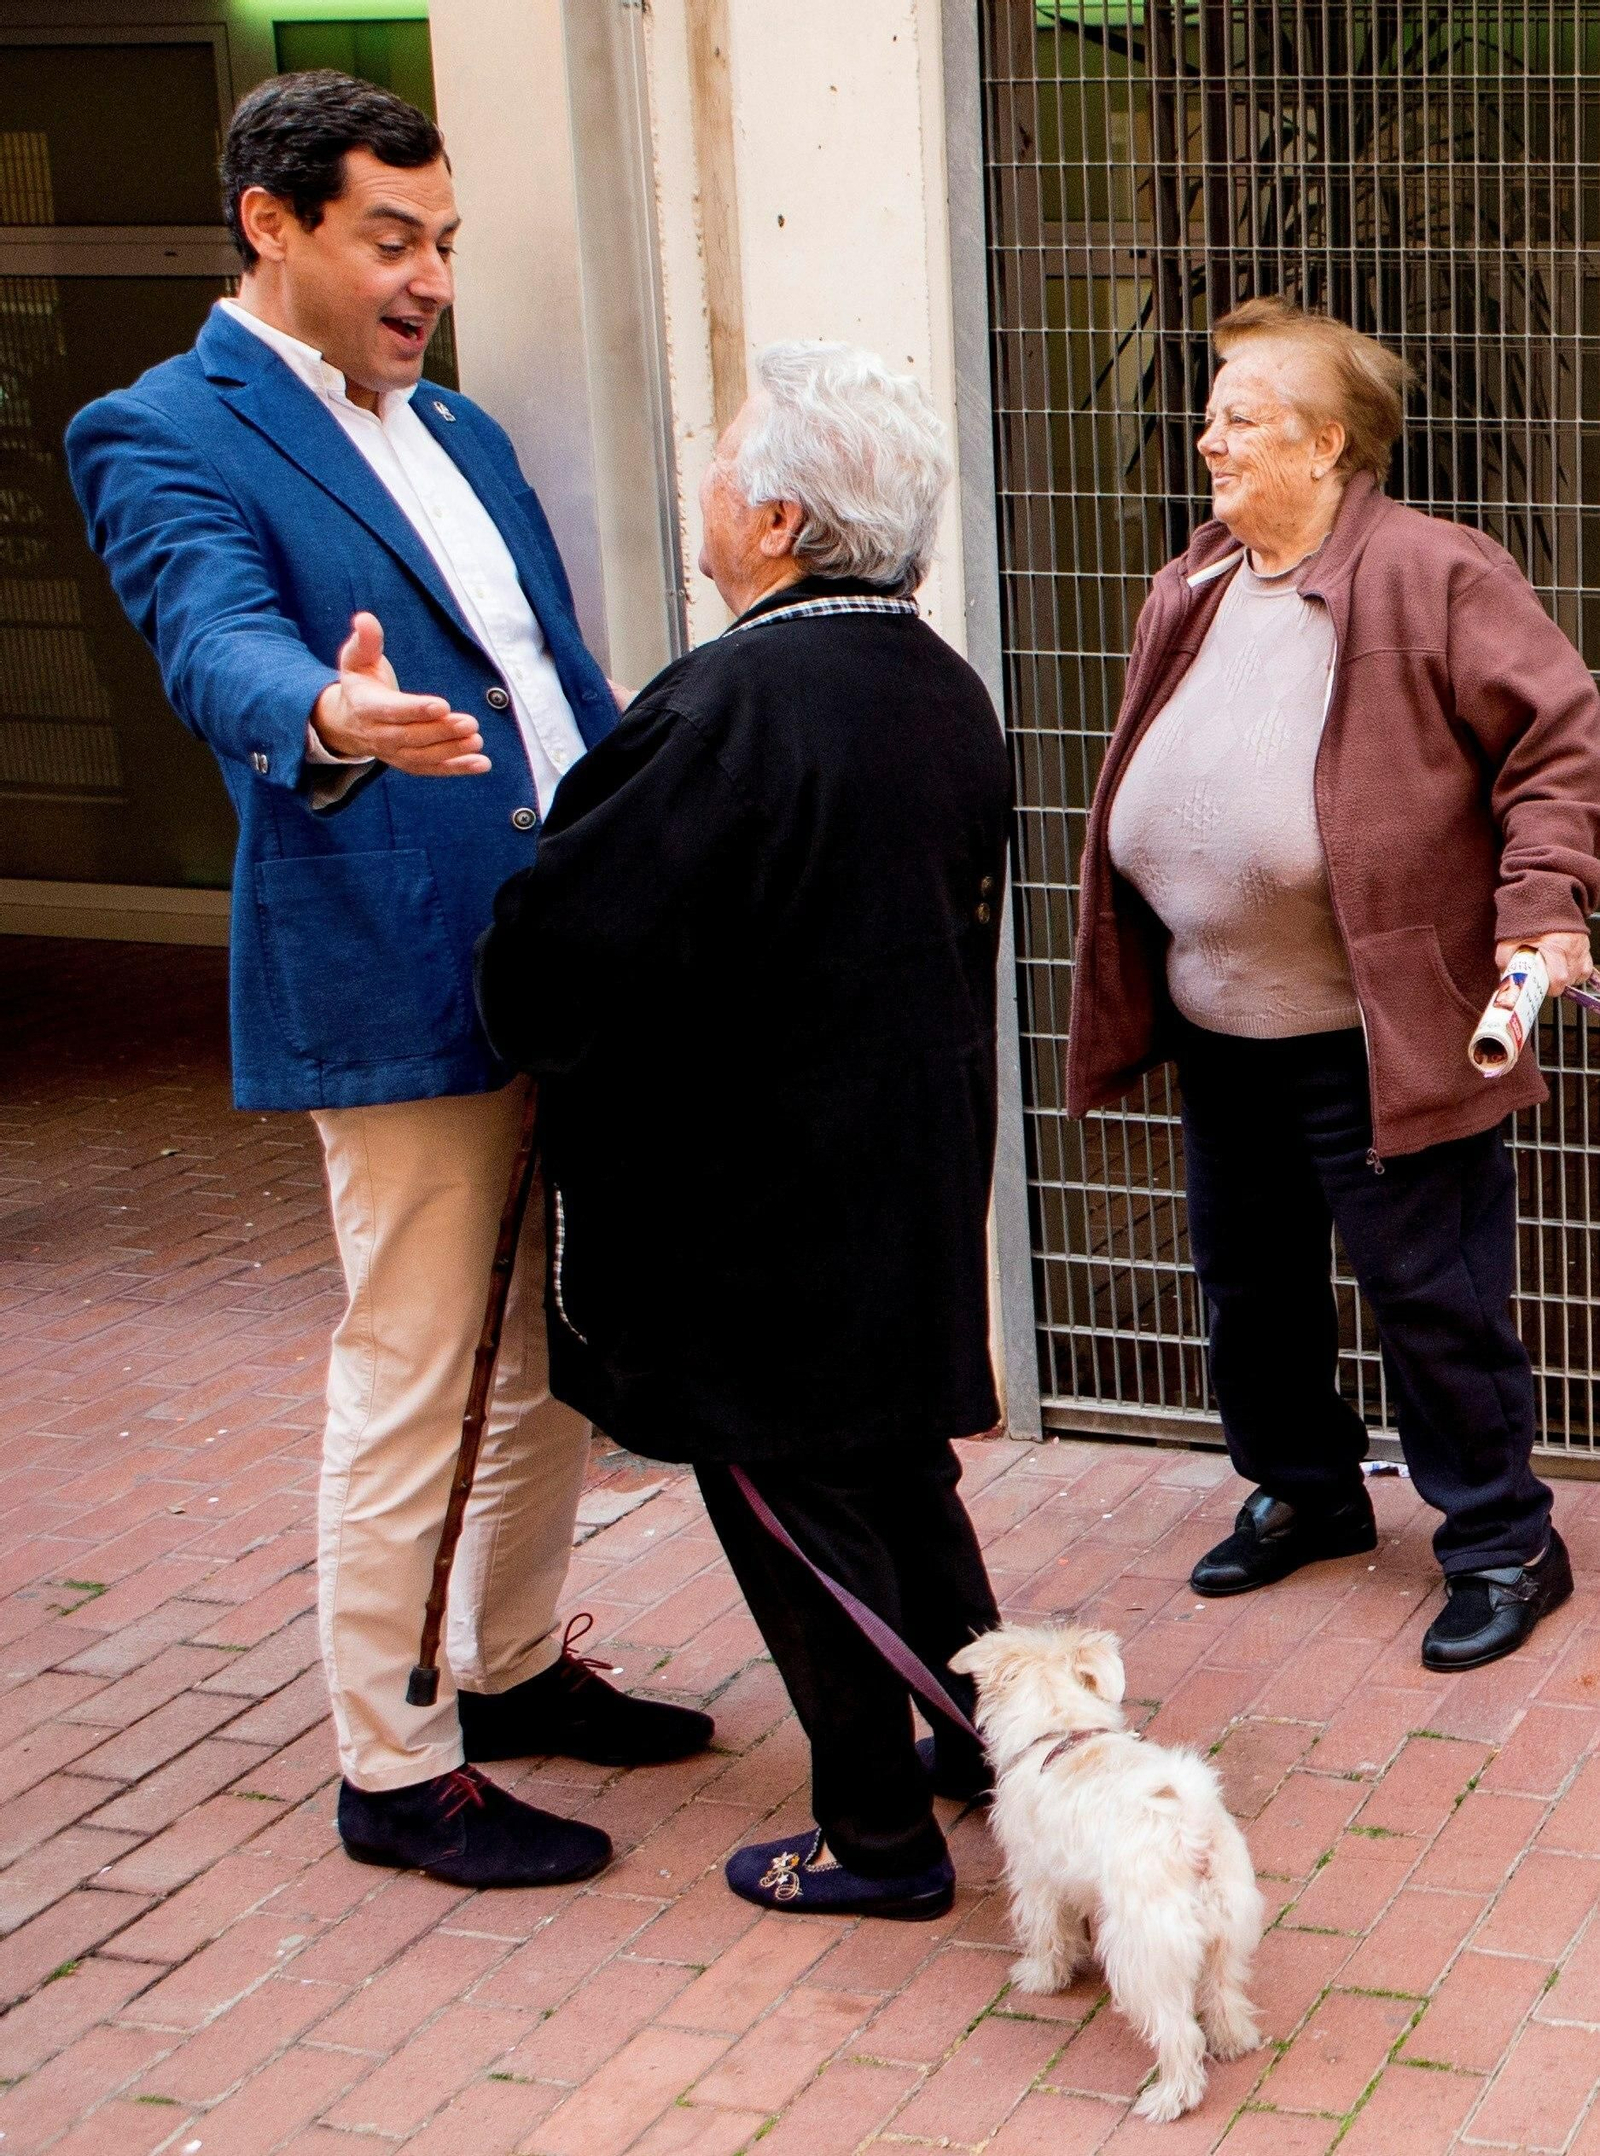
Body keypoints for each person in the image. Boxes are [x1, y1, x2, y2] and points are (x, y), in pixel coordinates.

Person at [66, 69, 710, 1890]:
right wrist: (329, 712)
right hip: (389, 959)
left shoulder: (466, 431)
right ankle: (392, 1761)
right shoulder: (162, 429)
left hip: (561, 962)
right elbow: (213, 640)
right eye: (390, 241)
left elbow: (560, 681)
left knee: (546, 1361)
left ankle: (504, 1671)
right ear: (270, 225)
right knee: (419, 1366)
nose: (426, 280)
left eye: (443, 244)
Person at [476, 341, 1010, 1920]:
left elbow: (561, 959)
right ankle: (993, 1738)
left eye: (721, 469)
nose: (703, 494)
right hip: (893, 1175)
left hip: (762, 1215)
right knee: (898, 1480)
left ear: (777, 517)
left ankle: (874, 1843)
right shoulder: (933, 680)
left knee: (799, 1512)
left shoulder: (731, 701)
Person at [1069, 296, 1600, 1671]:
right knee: (1250, 1287)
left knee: (1432, 1293)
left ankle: (1501, 1540)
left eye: (1239, 418)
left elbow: (1557, 743)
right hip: (1225, 1019)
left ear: (1327, 442)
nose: (1207, 442)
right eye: (1210, 416)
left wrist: (1542, 907)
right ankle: (1306, 1493)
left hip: (1381, 1026)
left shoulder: (1437, 573)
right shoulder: (1188, 587)